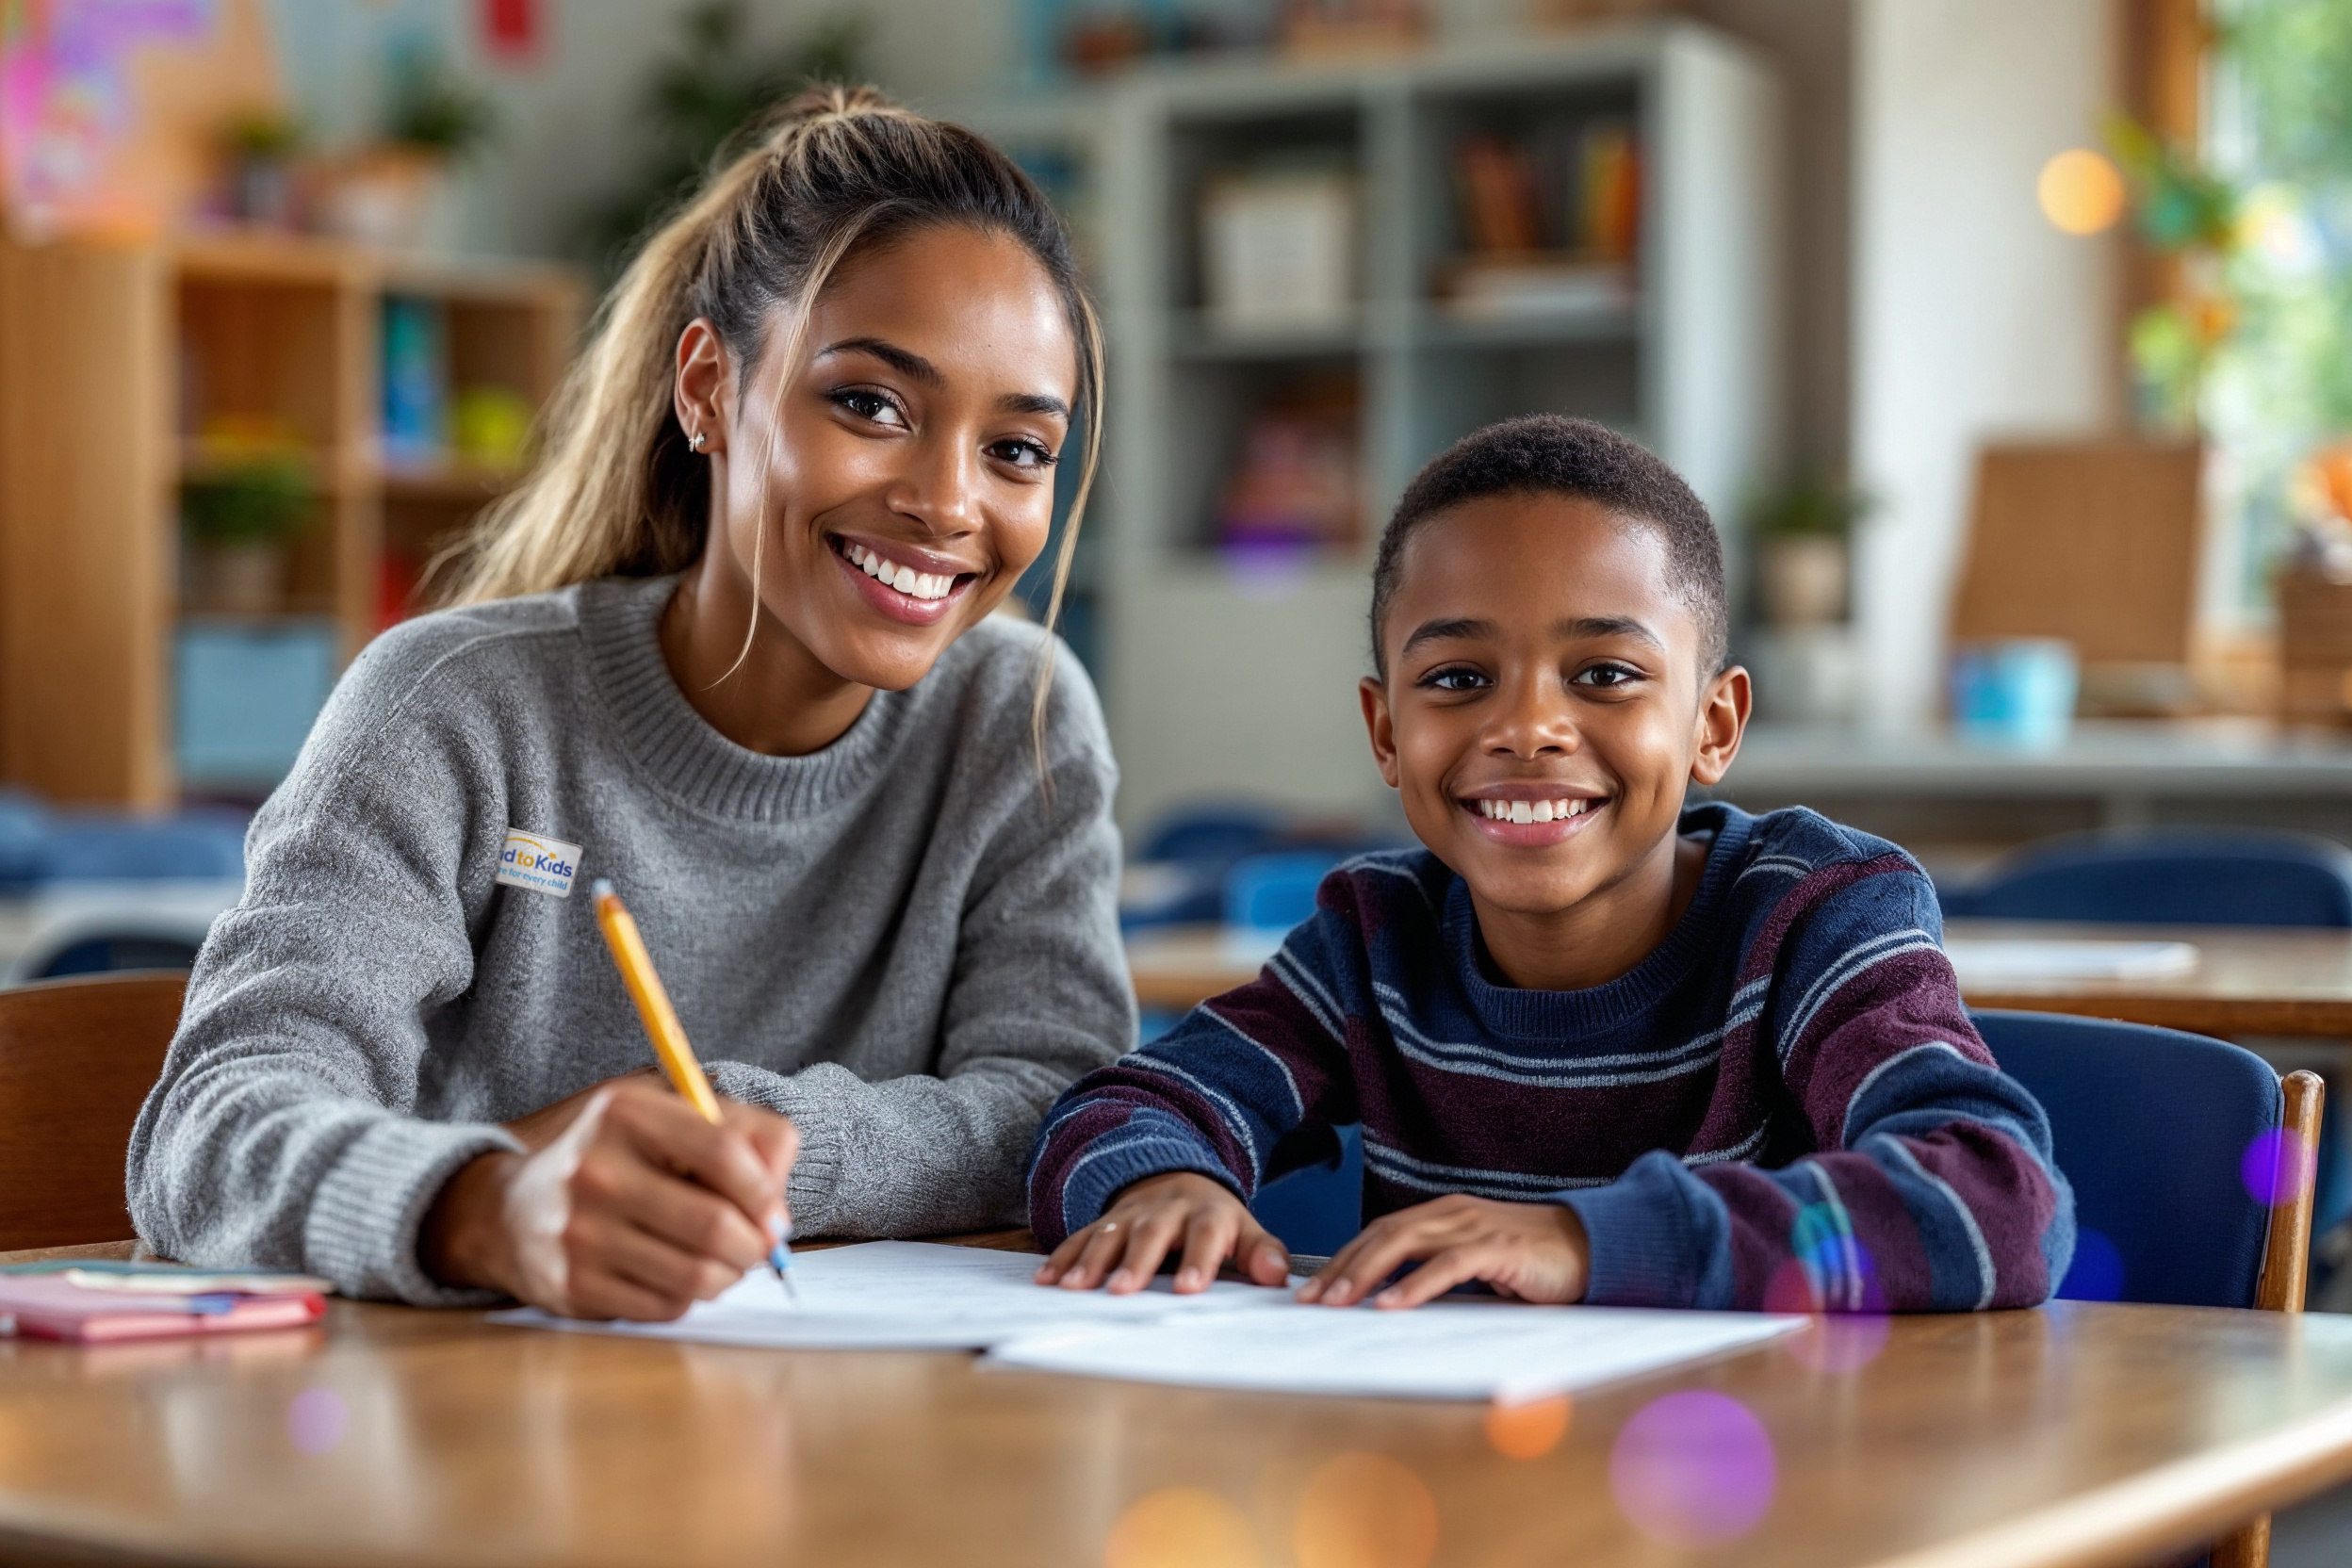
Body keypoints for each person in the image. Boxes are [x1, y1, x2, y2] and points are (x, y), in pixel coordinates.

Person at [129, 87, 1132, 1321]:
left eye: (1017, 450)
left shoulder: (1018, 718)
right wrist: (486, 1206)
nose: (947, 500)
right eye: (870, 404)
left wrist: (748, 1134)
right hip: (450, 1429)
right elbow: (208, 1129)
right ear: (709, 388)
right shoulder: (454, 709)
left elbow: (1058, 1102)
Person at [1029, 415, 2073, 1313]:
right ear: (1385, 731)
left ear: (1714, 723)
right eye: (1459, 676)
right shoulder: (1374, 940)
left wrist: (1586, 1239)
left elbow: (1998, 1200)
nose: (1528, 725)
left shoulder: (1812, 916)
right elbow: (1116, 1105)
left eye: (1607, 673)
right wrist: (1157, 1182)